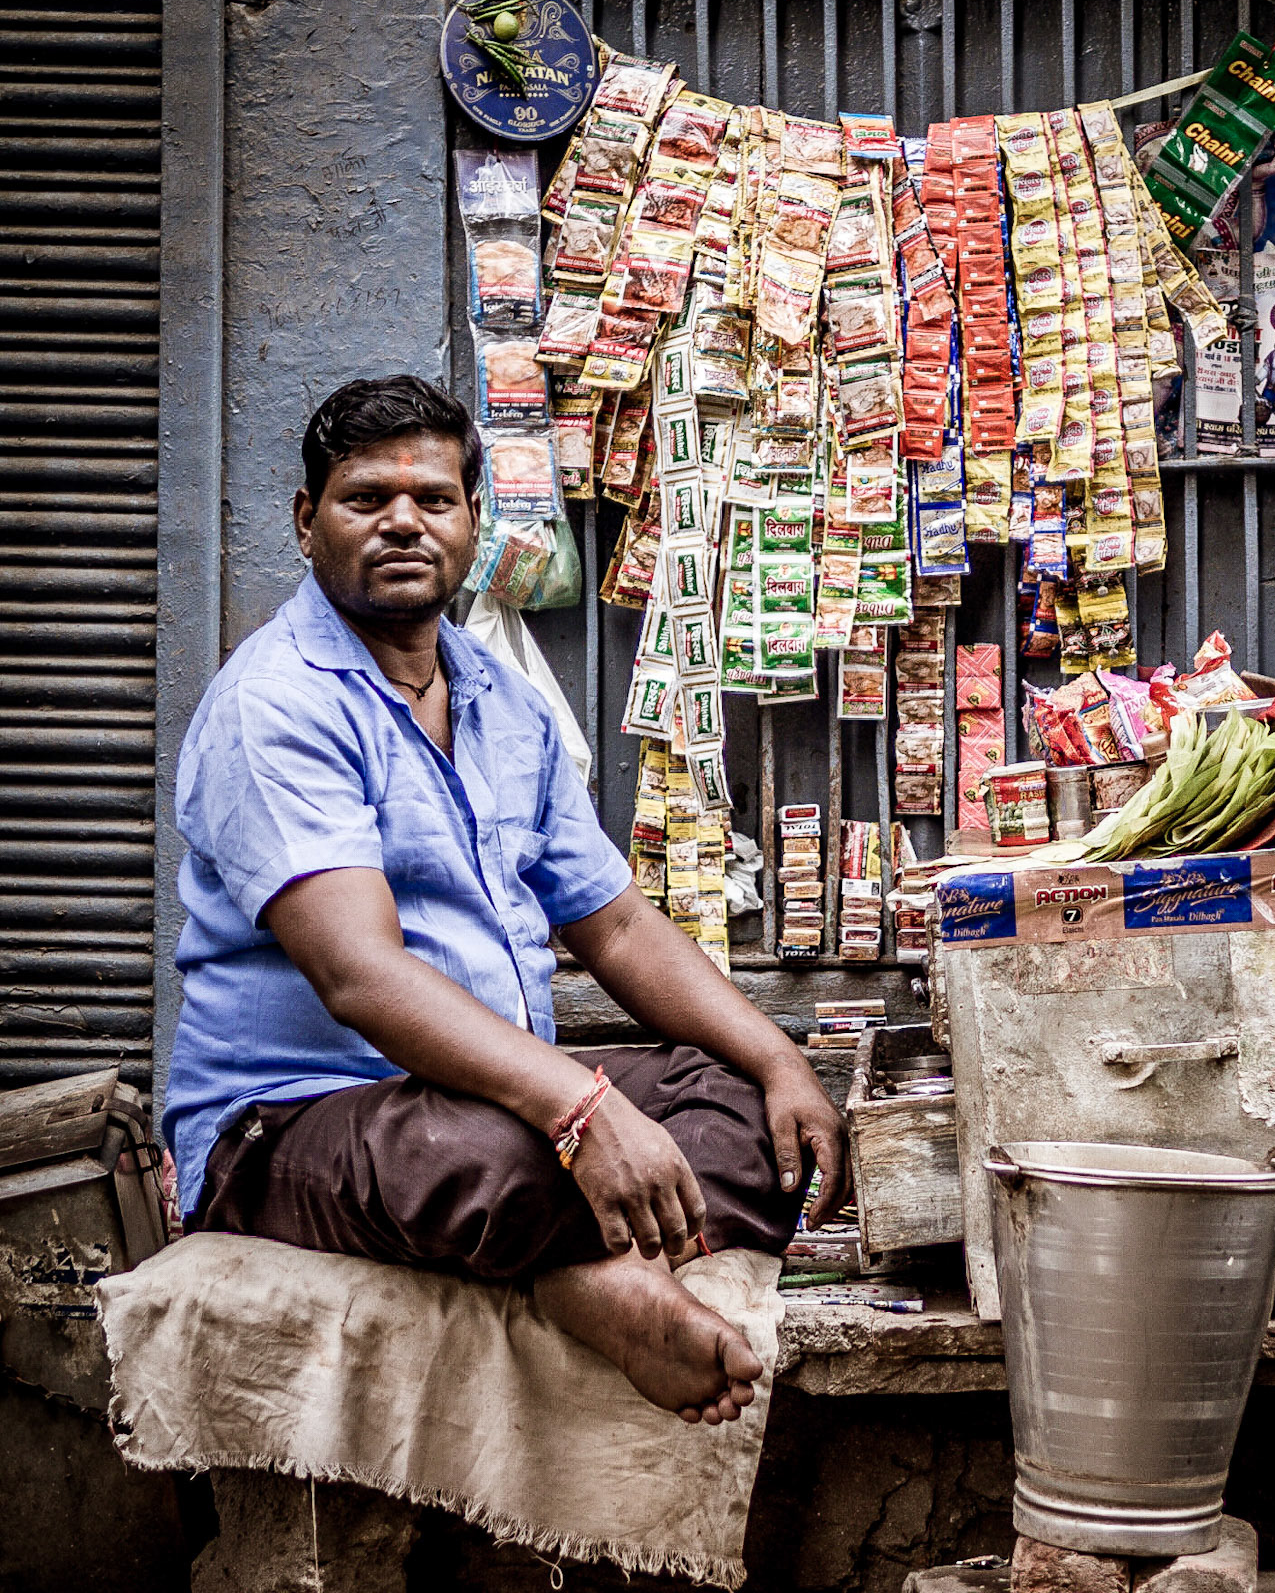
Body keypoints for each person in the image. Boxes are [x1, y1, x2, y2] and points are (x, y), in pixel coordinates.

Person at [164, 375, 847, 1428]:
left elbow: (614, 923)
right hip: (298, 1122)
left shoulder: (501, 698)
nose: (403, 520)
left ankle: (557, 1255)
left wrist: (777, 1059)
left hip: (498, 1103)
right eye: (365, 499)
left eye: (434, 499)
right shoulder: (276, 702)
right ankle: (588, 1283)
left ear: (474, 525)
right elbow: (360, 973)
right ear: (309, 523)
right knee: (492, 1158)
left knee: (742, 1119)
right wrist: (577, 1108)